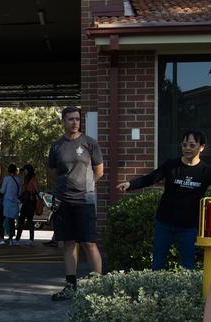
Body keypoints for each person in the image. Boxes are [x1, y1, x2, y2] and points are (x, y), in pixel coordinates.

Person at [117, 128, 211, 270]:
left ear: (202, 147)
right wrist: (130, 184)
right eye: (184, 144)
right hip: (165, 222)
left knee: (189, 265)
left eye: (192, 145)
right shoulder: (171, 165)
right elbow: (151, 178)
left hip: (189, 226)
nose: (187, 148)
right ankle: (156, 291)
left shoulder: (206, 171)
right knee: (158, 264)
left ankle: (188, 292)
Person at [48, 106, 103, 301]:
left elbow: (99, 171)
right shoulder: (56, 146)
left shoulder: (90, 144)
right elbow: (54, 173)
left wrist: (86, 187)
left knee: (89, 242)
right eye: (70, 119)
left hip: (85, 200)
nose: (75, 122)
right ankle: (71, 286)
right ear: (63, 121)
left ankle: (99, 288)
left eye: (77, 119)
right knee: (68, 243)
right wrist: (65, 189)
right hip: (63, 201)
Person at [15, 164, 39, 245]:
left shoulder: (33, 179)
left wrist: (29, 191)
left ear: (28, 170)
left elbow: (35, 190)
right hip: (26, 202)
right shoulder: (26, 179)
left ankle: (31, 239)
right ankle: (17, 239)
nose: (24, 172)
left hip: (31, 202)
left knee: (29, 220)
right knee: (21, 220)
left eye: (25, 170)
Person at [0, 164, 22, 245]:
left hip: (7, 202)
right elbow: (19, 193)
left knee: (6, 220)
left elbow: (2, 191)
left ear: (8, 170)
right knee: (12, 220)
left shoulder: (6, 179)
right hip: (15, 201)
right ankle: (12, 238)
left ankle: (8, 238)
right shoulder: (18, 180)